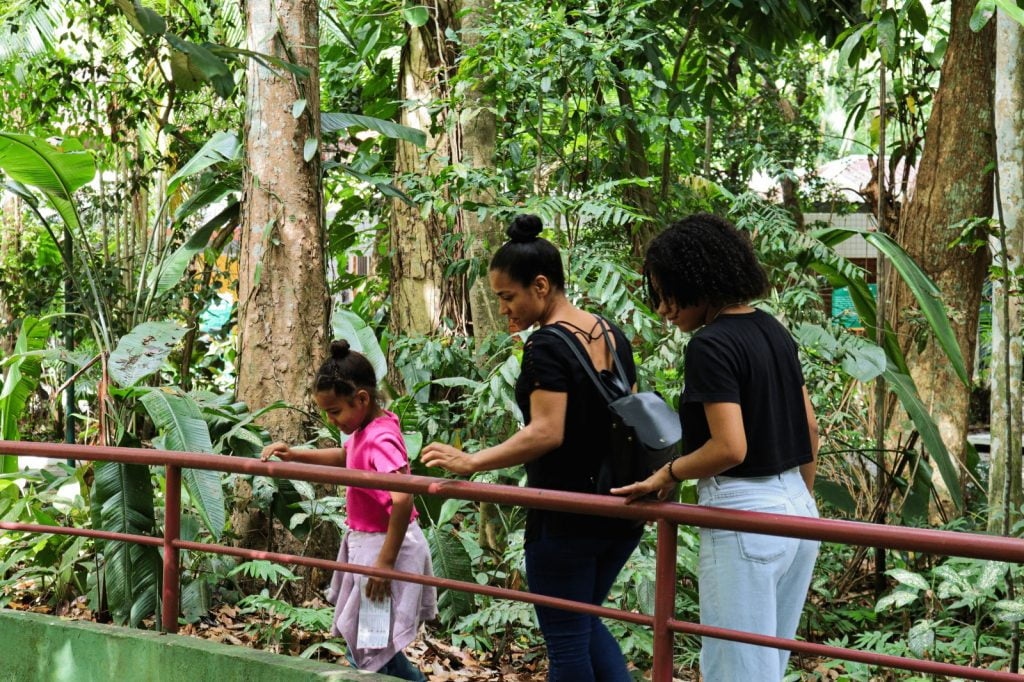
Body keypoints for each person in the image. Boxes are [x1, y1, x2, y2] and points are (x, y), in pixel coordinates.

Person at [421, 214, 642, 682]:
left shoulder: (546, 345)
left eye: (507, 297)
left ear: (540, 286)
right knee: (581, 623)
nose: (504, 310)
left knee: (566, 646)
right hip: (619, 511)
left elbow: (547, 432)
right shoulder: (611, 333)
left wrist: (472, 461)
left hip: (566, 517)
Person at [610, 213, 820, 682]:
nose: (663, 308)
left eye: (666, 293)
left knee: (736, 670)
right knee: (767, 664)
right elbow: (809, 428)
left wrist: (668, 474)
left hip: (744, 515)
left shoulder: (710, 345)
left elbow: (730, 447)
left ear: (697, 282)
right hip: (799, 514)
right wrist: (801, 501)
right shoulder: (774, 331)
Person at [261, 339, 436, 681]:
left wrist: (384, 565)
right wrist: (295, 454)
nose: (332, 419)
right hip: (371, 546)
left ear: (362, 399)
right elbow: (346, 458)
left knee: (370, 651)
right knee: (367, 647)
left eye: (335, 411)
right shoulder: (365, 429)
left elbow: (403, 499)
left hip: (386, 550)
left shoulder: (379, 438)